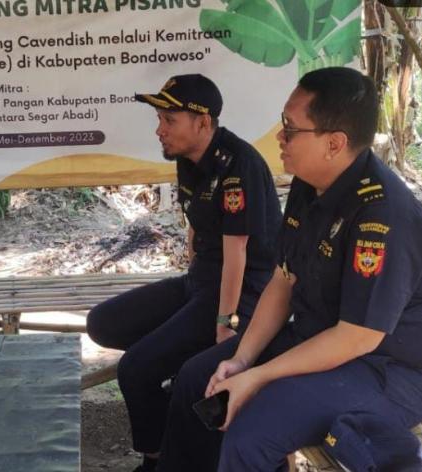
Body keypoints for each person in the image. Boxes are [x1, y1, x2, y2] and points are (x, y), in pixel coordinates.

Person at [157, 67, 422, 471]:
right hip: (319, 337)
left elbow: (356, 339)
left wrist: (259, 377)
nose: (279, 137)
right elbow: (284, 279)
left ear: (334, 143)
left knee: (253, 430)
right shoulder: (308, 184)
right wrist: (244, 360)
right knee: (200, 376)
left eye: (290, 128)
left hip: (391, 369)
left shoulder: (384, 215)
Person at [86, 74, 282, 471]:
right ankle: (179, 364)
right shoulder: (188, 159)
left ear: (203, 123)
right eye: (159, 119)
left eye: (169, 121)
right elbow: (196, 222)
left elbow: (238, 253)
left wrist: (225, 325)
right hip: (201, 279)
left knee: (136, 368)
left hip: (241, 288)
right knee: (103, 323)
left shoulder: (238, 165)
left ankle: (157, 459)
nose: (159, 130)